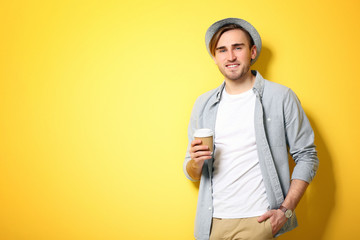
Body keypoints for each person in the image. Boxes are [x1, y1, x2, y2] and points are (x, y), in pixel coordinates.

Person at [183, 18, 319, 240]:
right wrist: (195, 163)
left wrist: (285, 211)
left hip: (259, 222)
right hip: (211, 224)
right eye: (222, 50)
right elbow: (191, 173)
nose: (231, 57)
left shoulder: (281, 97)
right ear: (215, 58)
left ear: (252, 52)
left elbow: (307, 155)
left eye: (238, 47)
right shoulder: (203, 104)